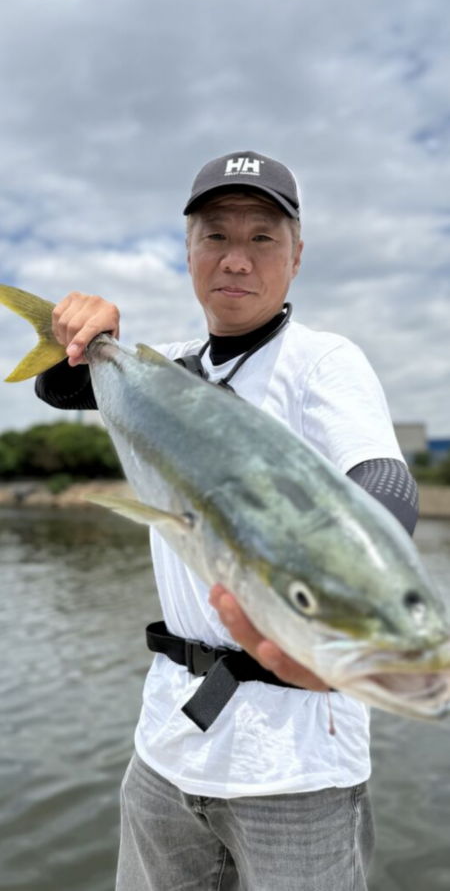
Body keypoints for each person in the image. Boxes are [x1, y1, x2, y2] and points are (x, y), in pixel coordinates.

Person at [35, 150, 419, 891]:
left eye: (262, 238)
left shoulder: (323, 363)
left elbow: (383, 478)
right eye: (215, 237)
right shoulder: (162, 369)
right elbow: (62, 389)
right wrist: (73, 331)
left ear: (297, 257)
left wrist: (344, 612)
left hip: (297, 769)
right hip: (167, 745)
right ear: (187, 252)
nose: (236, 260)